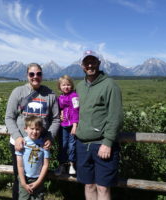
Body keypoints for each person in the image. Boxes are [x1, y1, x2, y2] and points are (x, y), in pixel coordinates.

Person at [5, 63, 60, 200]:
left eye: (38, 74)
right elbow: (9, 117)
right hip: (20, 144)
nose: (35, 77)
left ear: (42, 75)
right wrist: (17, 137)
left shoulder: (50, 94)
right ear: (27, 75)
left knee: (38, 175)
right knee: (19, 177)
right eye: (32, 74)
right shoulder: (18, 92)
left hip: (40, 143)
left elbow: (56, 119)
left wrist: (50, 137)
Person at [75, 50, 123, 200]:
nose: (90, 65)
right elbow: (76, 110)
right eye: (86, 62)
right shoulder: (80, 86)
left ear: (99, 63)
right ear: (82, 65)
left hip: (102, 144)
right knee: (88, 185)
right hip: (82, 144)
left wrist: (108, 142)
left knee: (103, 187)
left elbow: (116, 116)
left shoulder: (110, 85)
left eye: (93, 61)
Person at [16, 116, 50, 200]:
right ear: (25, 129)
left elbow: (45, 165)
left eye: (37, 129)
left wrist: (38, 182)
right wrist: (23, 183)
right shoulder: (21, 144)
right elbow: (20, 165)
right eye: (32, 128)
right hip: (24, 178)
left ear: (41, 129)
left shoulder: (44, 144)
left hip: (38, 178)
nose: (34, 131)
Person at [55, 75, 79, 176]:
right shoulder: (60, 97)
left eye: (68, 85)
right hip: (63, 124)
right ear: (60, 87)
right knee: (63, 145)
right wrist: (60, 114)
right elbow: (58, 109)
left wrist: (75, 125)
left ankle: (72, 164)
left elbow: (76, 111)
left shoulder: (74, 96)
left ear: (72, 85)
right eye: (63, 85)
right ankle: (62, 165)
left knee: (72, 145)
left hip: (72, 124)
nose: (66, 87)